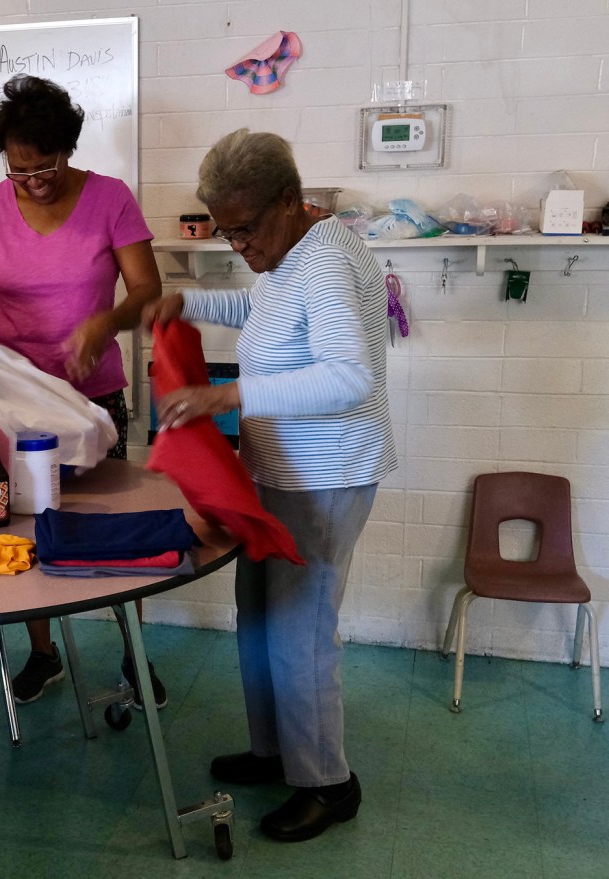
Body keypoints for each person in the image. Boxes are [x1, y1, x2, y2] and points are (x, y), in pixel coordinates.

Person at [147, 129, 396, 842]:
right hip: (281, 471)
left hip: (325, 474)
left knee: (300, 633)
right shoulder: (290, 251)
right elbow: (263, 312)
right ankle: (274, 750)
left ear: (290, 200)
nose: (238, 245)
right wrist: (188, 302)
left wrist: (227, 397)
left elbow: (349, 377)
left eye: (245, 229)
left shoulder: (323, 263)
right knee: (258, 616)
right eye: (226, 231)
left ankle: (327, 782)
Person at [0, 75, 164, 707]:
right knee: (25, 527)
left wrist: (106, 322)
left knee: (122, 528)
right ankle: (43, 654)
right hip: (14, 399)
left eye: (46, 165)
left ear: (68, 149)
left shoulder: (111, 198)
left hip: (94, 396)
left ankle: (134, 657)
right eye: (19, 170)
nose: (34, 179)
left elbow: (146, 289)